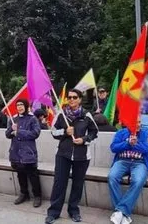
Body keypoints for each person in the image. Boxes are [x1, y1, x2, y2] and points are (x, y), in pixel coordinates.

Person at [45, 89, 98, 224]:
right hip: (63, 154)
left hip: (82, 156)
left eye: (75, 97)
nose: (72, 100)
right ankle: (53, 212)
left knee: (77, 184)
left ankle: (73, 211)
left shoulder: (86, 115)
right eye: (69, 97)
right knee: (59, 183)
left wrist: (84, 139)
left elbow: (94, 132)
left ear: (80, 99)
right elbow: (53, 132)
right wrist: (65, 132)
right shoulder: (61, 114)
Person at [108, 117, 148, 224]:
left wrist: (135, 144)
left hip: (140, 163)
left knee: (138, 180)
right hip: (122, 161)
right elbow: (113, 148)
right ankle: (123, 213)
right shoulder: (120, 133)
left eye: (139, 122)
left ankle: (120, 211)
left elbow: (146, 149)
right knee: (112, 177)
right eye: (135, 122)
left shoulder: (146, 134)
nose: (138, 125)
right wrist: (127, 143)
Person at [5, 98, 42, 207]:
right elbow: (7, 135)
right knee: (20, 174)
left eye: (21, 105)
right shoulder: (13, 119)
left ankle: (37, 196)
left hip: (28, 153)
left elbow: (35, 133)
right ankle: (24, 193)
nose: (19, 107)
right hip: (16, 153)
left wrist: (19, 132)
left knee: (33, 175)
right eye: (17, 105)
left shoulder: (32, 119)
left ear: (26, 106)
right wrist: (12, 130)